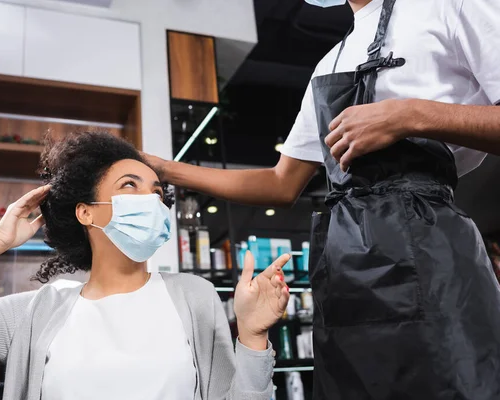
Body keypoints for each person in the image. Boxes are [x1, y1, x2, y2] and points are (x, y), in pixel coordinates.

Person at [145, 0, 500, 399]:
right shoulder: (329, 64)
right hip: (345, 265)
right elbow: (280, 183)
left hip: (431, 249)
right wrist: (165, 168)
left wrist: (410, 115)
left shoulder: (452, 7)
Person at [0, 131, 292, 400]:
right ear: (86, 212)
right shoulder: (36, 312)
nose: (152, 201)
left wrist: (254, 338)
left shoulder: (194, 296)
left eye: (157, 192)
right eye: (129, 186)